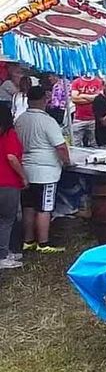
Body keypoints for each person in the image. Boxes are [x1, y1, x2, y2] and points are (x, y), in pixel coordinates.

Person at [15, 86, 70, 253]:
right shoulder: (47, 121)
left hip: (25, 168)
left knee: (29, 207)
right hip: (45, 171)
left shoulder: (20, 119)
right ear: (44, 100)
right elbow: (60, 146)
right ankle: (43, 243)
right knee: (44, 209)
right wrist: (67, 162)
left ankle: (28, 240)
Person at [0, 106, 26, 269]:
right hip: (7, 181)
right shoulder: (9, 134)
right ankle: (3, 255)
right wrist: (23, 176)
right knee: (7, 219)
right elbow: (11, 157)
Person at [69, 72, 104, 147]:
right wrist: (92, 98)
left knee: (95, 144)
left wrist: (81, 95)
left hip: (94, 119)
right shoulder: (76, 82)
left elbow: (100, 98)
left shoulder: (98, 82)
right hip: (79, 118)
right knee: (75, 143)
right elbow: (74, 98)